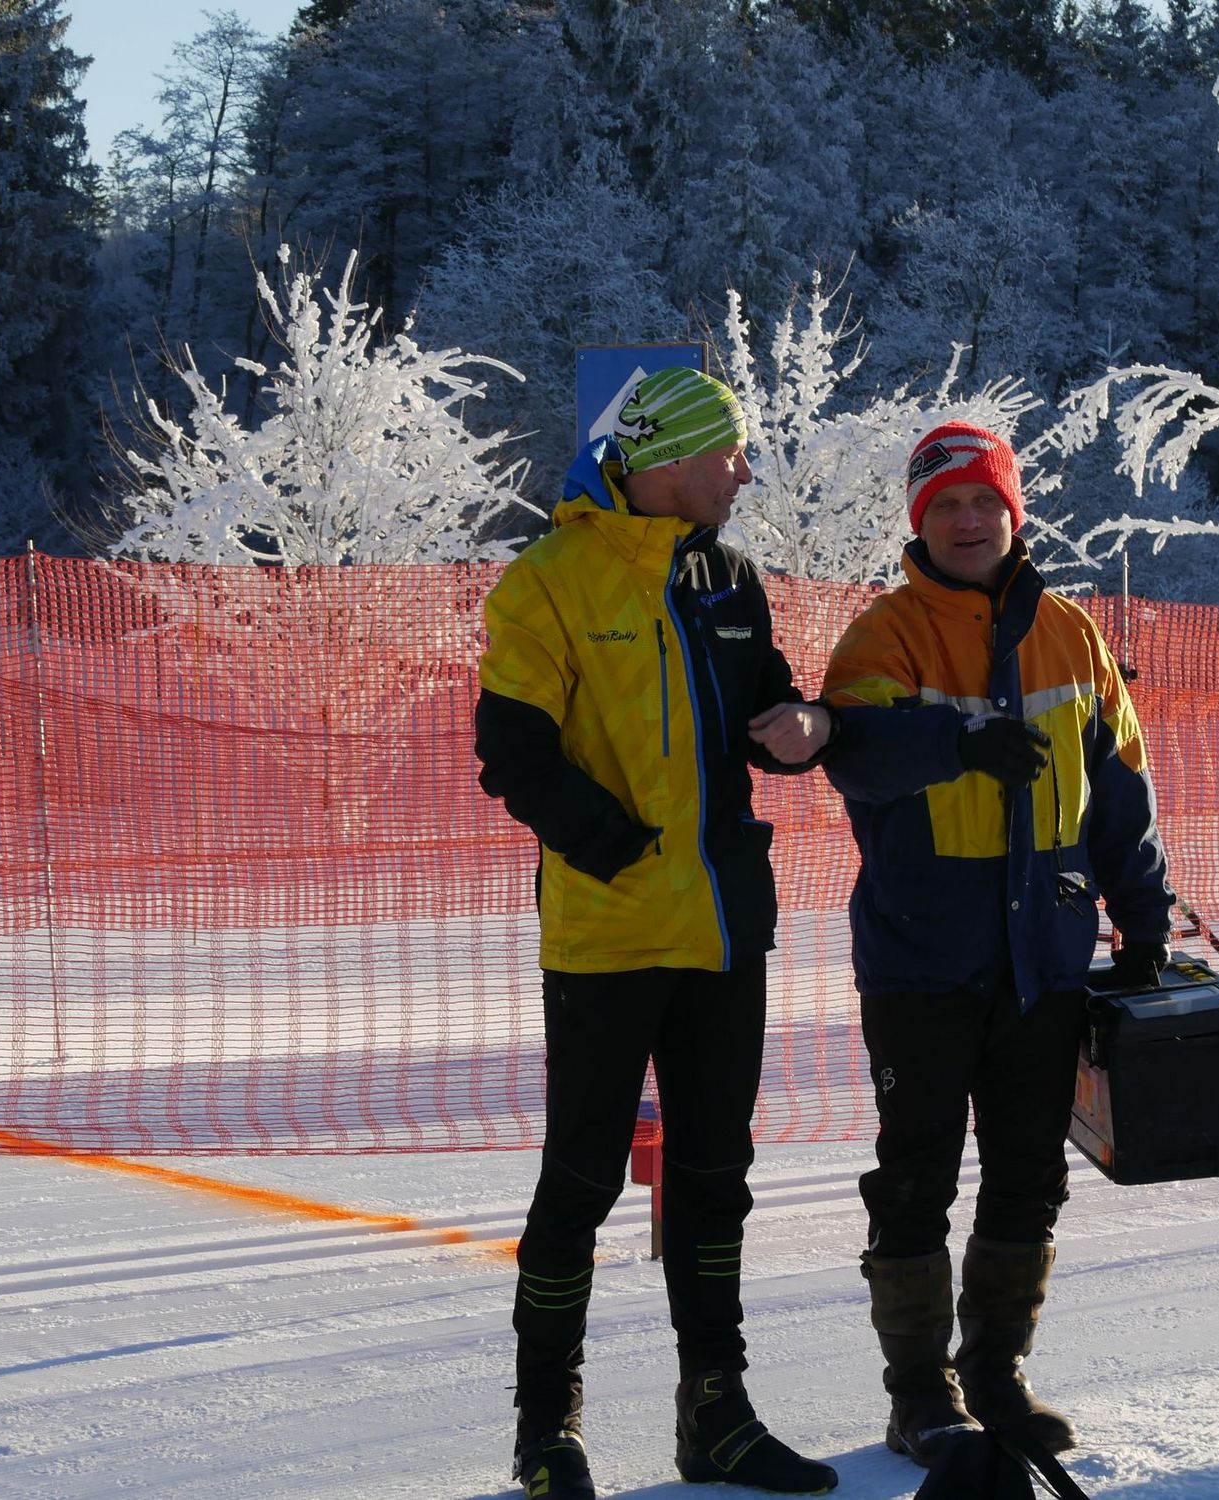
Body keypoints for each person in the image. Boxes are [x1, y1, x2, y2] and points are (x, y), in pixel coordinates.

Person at [476, 367, 840, 1500]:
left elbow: (772, 708)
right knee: (580, 1183)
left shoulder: (729, 577)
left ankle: (716, 1417)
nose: (744, 472)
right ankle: (547, 1431)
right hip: (609, 935)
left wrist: (806, 726)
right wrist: (620, 847)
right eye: (730, 453)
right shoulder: (546, 582)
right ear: (673, 460)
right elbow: (513, 754)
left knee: (715, 1177)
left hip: (722, 931)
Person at [818, 421, 1175, 1466]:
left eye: (985, 501)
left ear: (1014, 513)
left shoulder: (1072, 635)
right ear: (918, 522)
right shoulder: (882, 637)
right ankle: (919, 1395)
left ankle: (996, 1374)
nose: (968, 521)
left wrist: (1143, 917)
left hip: (1045, 956)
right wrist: (958, 742)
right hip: (920, 959)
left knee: (1028, 1173)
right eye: (945, 506)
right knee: (915, 1175)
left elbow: (1122, 796)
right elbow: (854, 757)